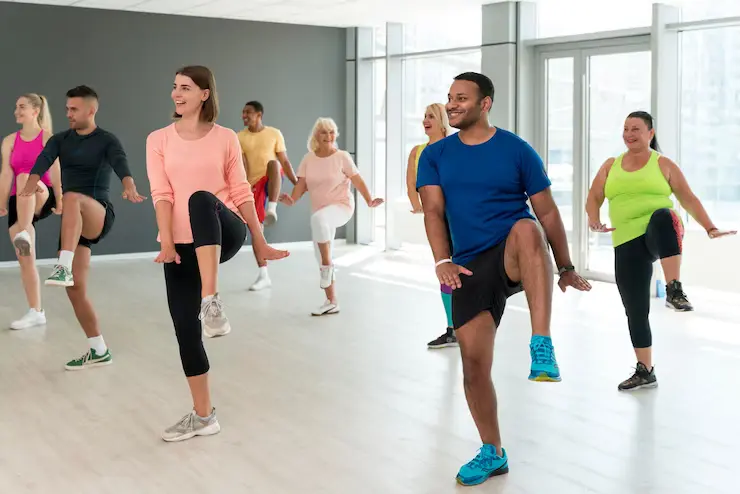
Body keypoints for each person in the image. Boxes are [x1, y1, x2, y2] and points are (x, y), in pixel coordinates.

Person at [416, 72, 591, 486]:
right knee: (474, 367)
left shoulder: (516, 150)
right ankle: (492, 451)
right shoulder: (435, 155)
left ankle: (542, 342)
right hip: (469, 265)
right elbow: (433, 212)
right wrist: (442, 260)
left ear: (485, 103)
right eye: (449, 98)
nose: (453, 104)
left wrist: (564, 266)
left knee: (528, 228)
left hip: (513, 250)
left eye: (462, 98)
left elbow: (546, 212)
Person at [147, 65, 289, 442]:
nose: (177, 94)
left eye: (186, 88)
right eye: (174, 87)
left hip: (223, 231)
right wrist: (165, 241)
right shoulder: (158, 139)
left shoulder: (225, 137)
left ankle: (212, 298)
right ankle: (204, 415)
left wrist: (259, 239)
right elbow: (161, 194)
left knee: (200, 199)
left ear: (205, 94)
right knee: (185, 331)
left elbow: (241, 191)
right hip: (181, 244)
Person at [586, 111, 736, 391]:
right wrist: (593, 219)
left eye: (637, 129)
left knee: (664, 215)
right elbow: (594, 196)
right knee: (635, 310)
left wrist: (709, 227)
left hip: (658, 232)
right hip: (625, 240)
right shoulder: (611, 165)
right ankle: (645, 370)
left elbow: (687, 197)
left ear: (650, 133)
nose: (630, 134)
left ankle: (674, 288)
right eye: (626, 128)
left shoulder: (662, 163)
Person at [22, 85, 146, 370]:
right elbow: (43, 159)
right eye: (67, 109)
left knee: (73, 197)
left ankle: (62, 264)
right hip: (73, 226)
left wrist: (128, 184)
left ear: (92, 110)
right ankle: (98, 349)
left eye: (74, 109)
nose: (69, 114)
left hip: (98, 213)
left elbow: (120, 163)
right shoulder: (61, 140)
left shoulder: (106, 140)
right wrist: (32, 181)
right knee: (75, 290)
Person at [279, 117, 382, 316]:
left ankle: (328, 266)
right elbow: (301, 186)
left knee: (319, 226)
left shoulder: (342, 156)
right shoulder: (308, 159)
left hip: (341, 206)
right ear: (316, 135)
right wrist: (291, 200)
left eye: (332, 132)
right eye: (324, 132)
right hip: (320, 212)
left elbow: (358, 181)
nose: (328, 136)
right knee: (320, 252)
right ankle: (331, 301)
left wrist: (369, 200)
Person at [0, 93, 63, 330]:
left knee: (26, 176)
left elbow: (55, 172)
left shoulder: (48, 139)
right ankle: (36, 312)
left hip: (42, 194)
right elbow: (6, 174)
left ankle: (25, 230)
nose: (16, 111)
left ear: (35, 111)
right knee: (26, 260)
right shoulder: (9, 141)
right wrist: (2, 202)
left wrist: (61, 198)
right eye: (16, 106)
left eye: (21, 107)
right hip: (20, 201)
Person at [405, 103, 457, 349]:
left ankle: (466, 327)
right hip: (438, 221)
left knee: (463, 271)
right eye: (424, 116)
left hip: (459, 219)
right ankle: (453, 329)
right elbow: (411, 183)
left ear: (443, 121)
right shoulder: (417, 151)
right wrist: (422, 208)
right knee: (446, 272)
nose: (426, 120)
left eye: (432, 116)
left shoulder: (456, 148)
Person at [237, 101, 298, 291]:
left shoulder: (274, 133)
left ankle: (272, 208)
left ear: (259, 115)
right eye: (243, 113)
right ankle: (264, 275)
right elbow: (243, 166)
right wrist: (246, 189)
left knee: (273, 164)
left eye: (248, 112)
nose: (244, 116)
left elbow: (284, 162)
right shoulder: (239, 137)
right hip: (254, 185)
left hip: (271, 179)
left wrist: (298, 184)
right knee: (256, 231)